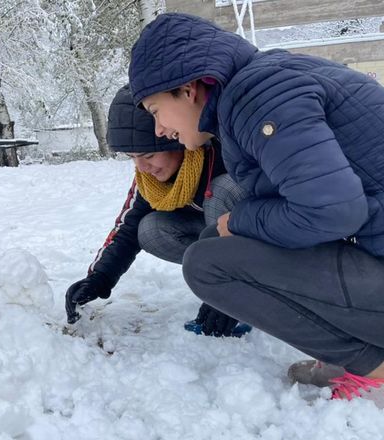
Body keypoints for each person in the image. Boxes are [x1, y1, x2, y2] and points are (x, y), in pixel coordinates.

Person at [130, 12, 384, 406]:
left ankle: (372, 367)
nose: (159, 129)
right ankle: (347, 354)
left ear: (187, 89)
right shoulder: (260, 85)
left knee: (207, 264)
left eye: (154, 110)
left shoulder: (259, 97)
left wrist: (242, 219)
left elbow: (332, 211)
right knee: (217, 241)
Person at [65, 84, 248, 338]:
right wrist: (98, 278)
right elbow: (127, 227)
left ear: (175, 138)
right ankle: (219, 280)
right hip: (214, 241)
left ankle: (247, 289)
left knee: (222, 190)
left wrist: (232, 292)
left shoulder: (222, 152)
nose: (142, 167)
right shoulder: (151, 181)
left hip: (261, 242)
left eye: (149, 155)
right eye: (132, 157)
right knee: (150, 229)